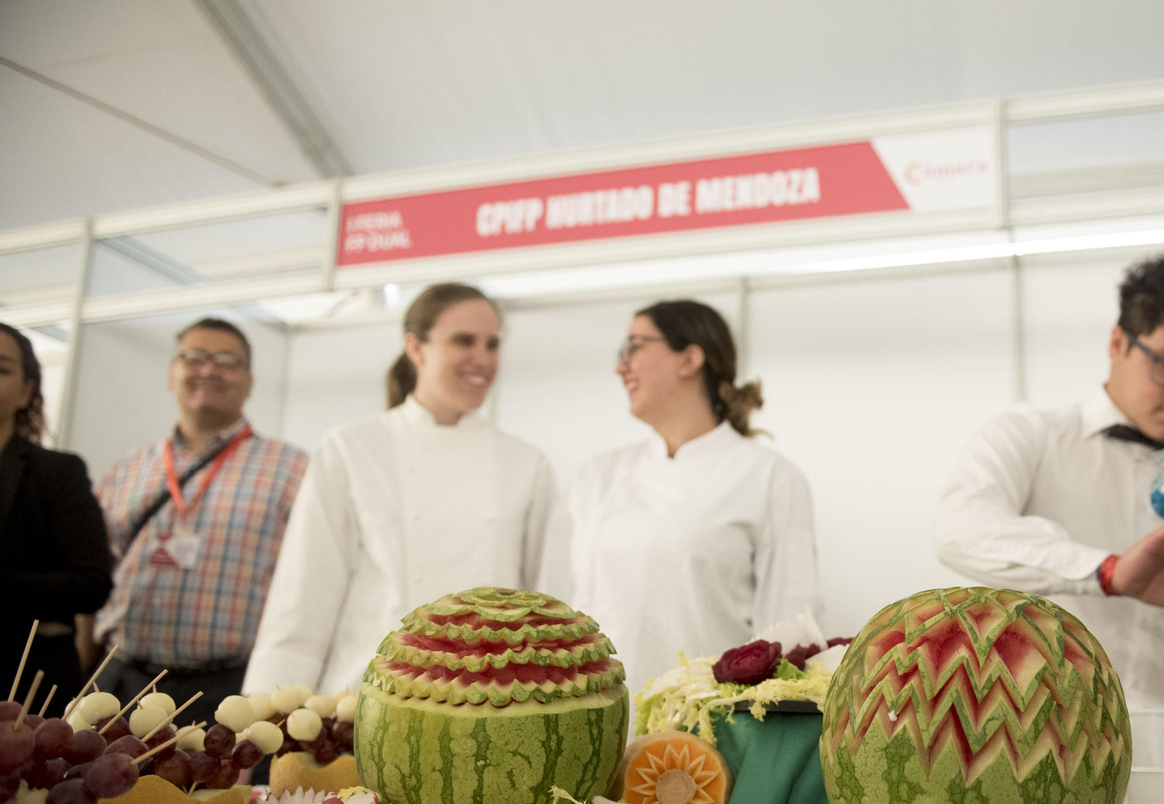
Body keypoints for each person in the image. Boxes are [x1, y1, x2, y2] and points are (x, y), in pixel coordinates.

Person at [934, 253, 1164, 711]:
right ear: (1117, 343)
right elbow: (960, 530)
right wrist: (1107, 572)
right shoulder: (1030, 436)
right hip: (1039, 736)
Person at [244, 282, 568, 694]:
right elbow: (305, 597)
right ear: (416, 348)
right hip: (365, 699)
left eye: (493, 344)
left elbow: (545, 608)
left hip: (487, 702)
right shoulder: (352, 448)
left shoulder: (526, 464)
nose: (483, 359)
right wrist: (272, 719)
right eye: (464, 341)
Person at [568, 299, 821, 688]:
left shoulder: (770, 477)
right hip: (596, 716)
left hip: (708, 728)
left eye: (634, 347)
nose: (621, 366)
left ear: (689, 359)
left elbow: (789, 631)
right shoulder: (597, 476)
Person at [93, 318, 307, 726]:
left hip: (229, 691)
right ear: (171, 374)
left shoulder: (293, 468)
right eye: (193, 358)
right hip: (121, 681)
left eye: (226, 361)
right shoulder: (129, 467)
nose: (208, 370)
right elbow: (98, 567)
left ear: (249, 381)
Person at [0, 323, 113, 706]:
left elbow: (92, 583)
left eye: (1, 369)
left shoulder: (56, 472)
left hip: (24, 690)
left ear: (26, 391)